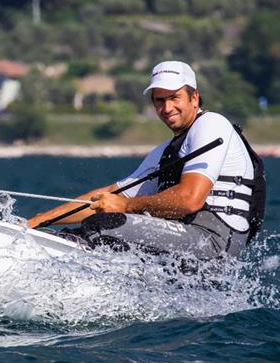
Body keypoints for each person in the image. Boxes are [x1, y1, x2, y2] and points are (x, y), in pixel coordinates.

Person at [27, 60, 265, 260]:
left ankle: (54, 258)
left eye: (174, 97)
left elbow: (190, 200)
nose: (167, 107)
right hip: (188, 236)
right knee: (95, 224)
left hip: (215, 242)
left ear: (195, 98)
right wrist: (39, 221)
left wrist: (127, 207)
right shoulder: (166, 151)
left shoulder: (211, 124)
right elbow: (113, 194)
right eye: (159, 100)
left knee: (104, 225)